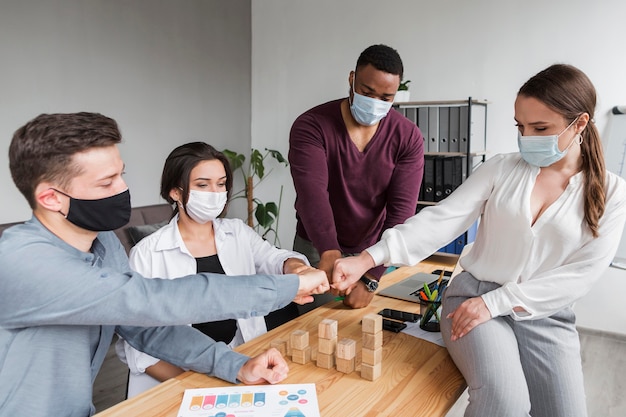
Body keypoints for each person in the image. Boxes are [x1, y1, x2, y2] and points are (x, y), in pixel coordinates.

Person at [332, 64, 626, 416]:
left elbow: (580, 276)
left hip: (544, 313)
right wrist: (366, 259)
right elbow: (441, 220)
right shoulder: (501, 168)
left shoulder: (612, 193)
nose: (527, 137)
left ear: (579, 124)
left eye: (540, 128)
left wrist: (499, 302)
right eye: (520, 127)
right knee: (505, 402)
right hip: (472, 298)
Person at [0, 112, 329, 417]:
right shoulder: (22, 262)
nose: (124, 189)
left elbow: (146, 328)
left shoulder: (104, 244)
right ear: (50, 197)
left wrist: (236, 366)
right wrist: (290, 285)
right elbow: (154, 301)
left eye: (121, 175)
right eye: (106, 183)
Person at [117, 142, 312, 397]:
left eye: (221, 184)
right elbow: (138, 347)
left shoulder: (237, 232)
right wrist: (199, 386)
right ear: (176, 192)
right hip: (177, 378)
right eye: (202, 184)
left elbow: (275, 258)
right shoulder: (147, 253)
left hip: (238, 363)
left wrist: (296, 267)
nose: (215, 193)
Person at [289, 44, 424, 309]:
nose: (374, 103)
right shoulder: (311, 126)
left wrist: (371, 277)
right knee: (314, 329)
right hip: (317, 245)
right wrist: (328, 251)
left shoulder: (407, 137)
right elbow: (313, 195)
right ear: (352, 79)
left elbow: (400, 212)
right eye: (366, 92)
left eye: (385, 98)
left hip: (374, 252)